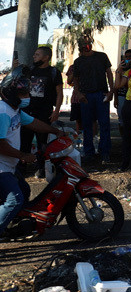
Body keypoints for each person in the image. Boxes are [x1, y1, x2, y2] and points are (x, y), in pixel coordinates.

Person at [0, 74, 62, 235]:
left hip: (8, 165)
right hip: (1, 167)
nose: (28, 97)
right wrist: (23, 155)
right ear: (11, 94)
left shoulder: (16, 111)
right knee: (15, 200)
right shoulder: (3, 113)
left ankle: (9, 224)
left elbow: (34, 123)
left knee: (25, 190)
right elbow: (0, 145)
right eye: (23, 94)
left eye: (28, 93)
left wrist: (56, 131)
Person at [66, 37, 114, 165]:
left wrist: (111, 91)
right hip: (86, 97)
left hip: (101, 94)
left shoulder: (101, 56)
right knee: (86, 126)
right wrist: (78, 93)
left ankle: (105, 153)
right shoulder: (78, 61)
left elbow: (109, 73)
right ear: (80, 46)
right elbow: (75, 79)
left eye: (88, 43)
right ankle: (89, 153)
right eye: (83, 44)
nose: (86, 46)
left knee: (104, 125)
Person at [21, 45, 63, 178]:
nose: (34, 56)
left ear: (46, 57)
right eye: (34, 54)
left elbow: (60, 93)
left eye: (37, 55)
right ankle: (21, 169)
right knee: (24, 142)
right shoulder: (30, 70)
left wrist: (56, 111)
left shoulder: (54, 72)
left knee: (42, 143)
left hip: (44, 113)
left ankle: (42, 169)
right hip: (27, 112)